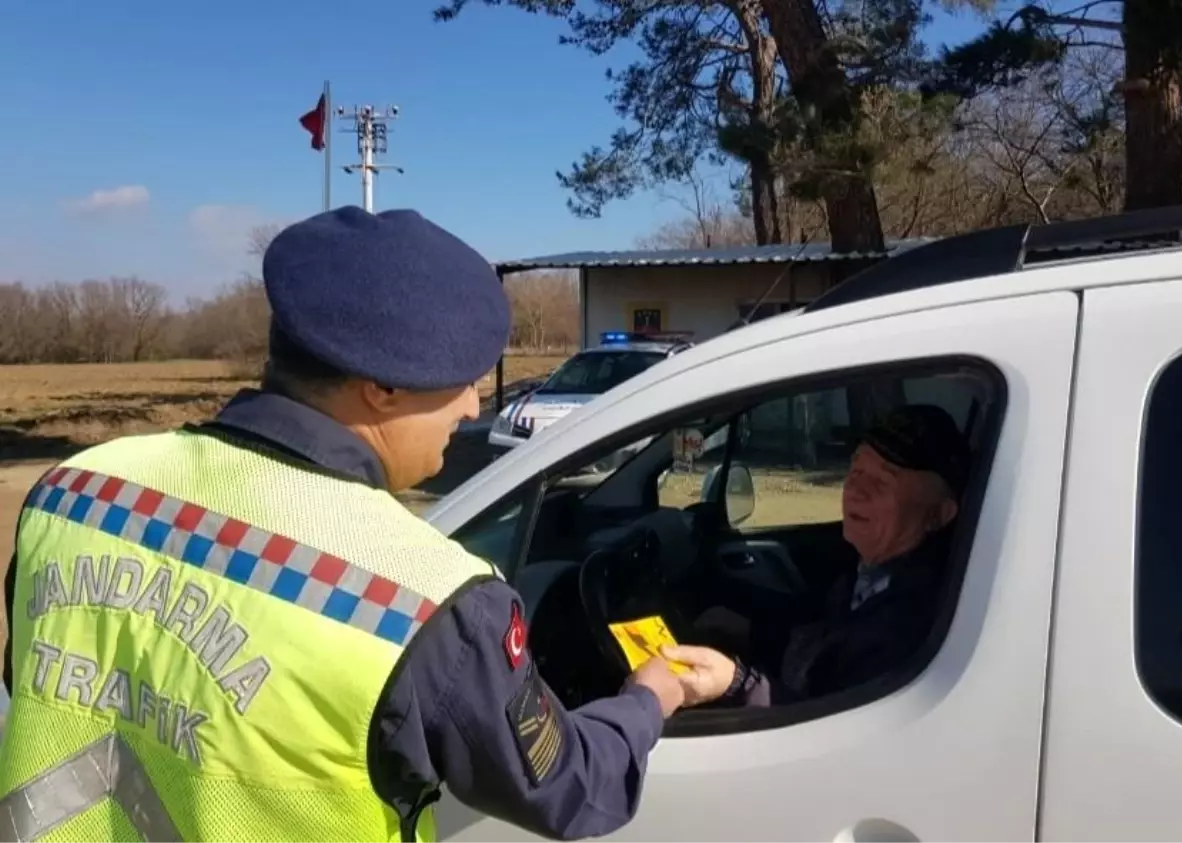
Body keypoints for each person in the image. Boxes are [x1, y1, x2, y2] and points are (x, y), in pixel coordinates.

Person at [0, 206, 688, 843]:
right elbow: (569, 789)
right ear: (380, 385)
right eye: (462, 378)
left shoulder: (75, 489)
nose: (474, 407)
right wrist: (654, 694)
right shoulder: (429, 599)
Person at [663, 404, 970, 709]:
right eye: (856, 469)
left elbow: (833, 729)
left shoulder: (916, 623)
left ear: (939, 514)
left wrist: (736, 683)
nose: (855, 489)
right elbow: (824, 633)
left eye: (882, 482)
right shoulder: (873, 570)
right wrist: (751, 631)